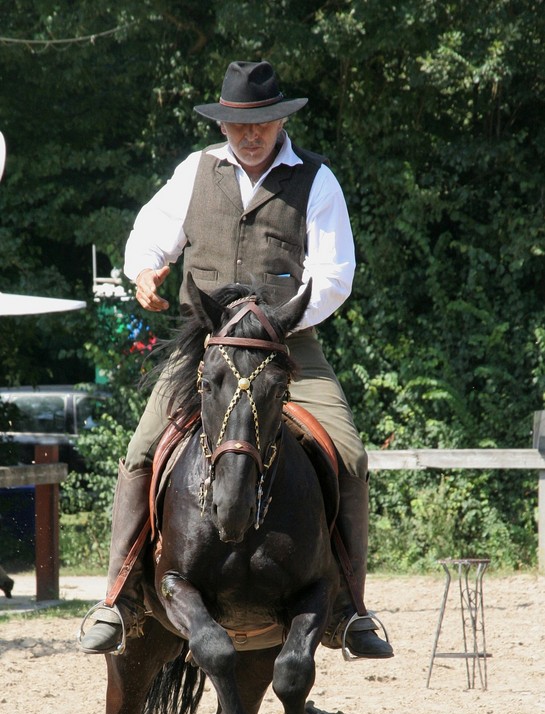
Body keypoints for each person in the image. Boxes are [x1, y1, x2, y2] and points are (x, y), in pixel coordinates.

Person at [80, 60, 393, 660]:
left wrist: (274, 322)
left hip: (285, 344)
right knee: (143, 447)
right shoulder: (195, 171)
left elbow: (334, 278)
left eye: (262, 124)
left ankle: (350, 609)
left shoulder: (317, 181)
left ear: (280, 121)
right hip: (205, 343)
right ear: (223, 124)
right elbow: (149, 236)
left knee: (350, 454)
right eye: (238, 125)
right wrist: (145, 270)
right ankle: (117, 597)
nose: (250, 136)